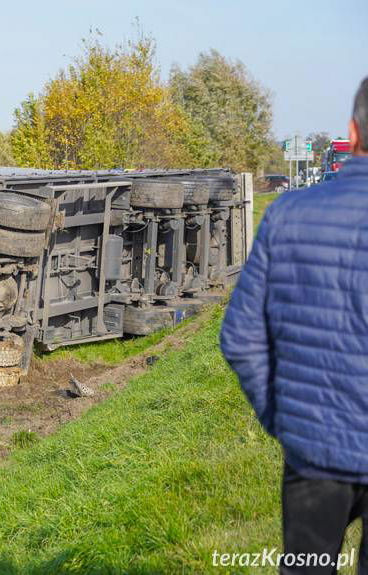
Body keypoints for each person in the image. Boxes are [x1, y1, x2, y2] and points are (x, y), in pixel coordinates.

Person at [220, 77, 368, 574]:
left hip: (313, 451)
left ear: (351, 131)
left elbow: (239, 336)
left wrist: (282, 420)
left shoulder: (287, 215)